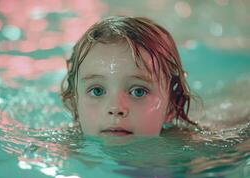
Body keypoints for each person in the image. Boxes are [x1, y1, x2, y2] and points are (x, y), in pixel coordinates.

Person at [60, 15, 198, 136]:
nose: (115, 108)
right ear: (74, 103)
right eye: (97, 91)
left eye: (138, 92)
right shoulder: (57, 151)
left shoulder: (196, 153)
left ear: (171, 106)